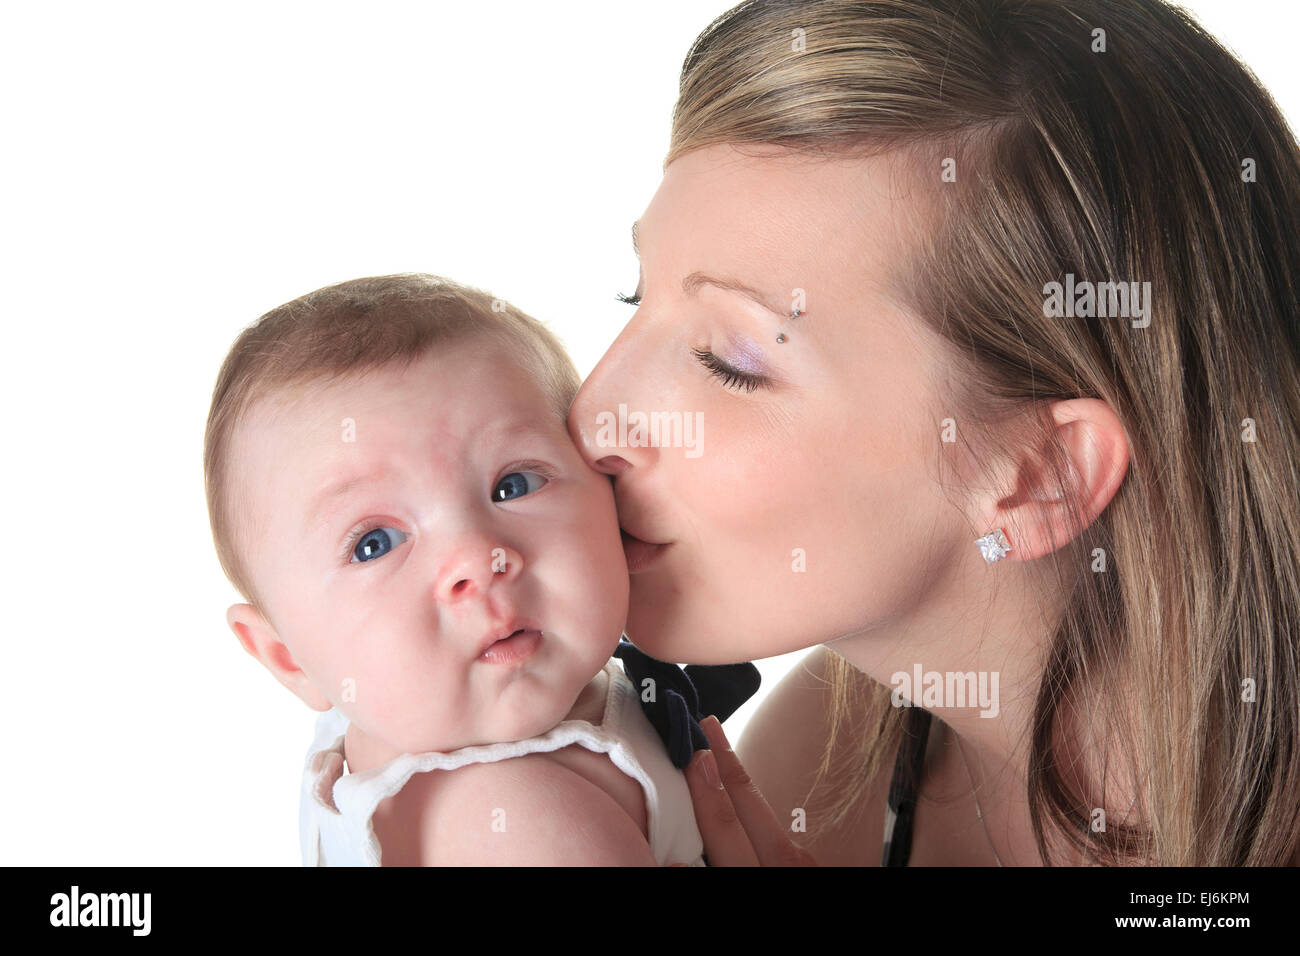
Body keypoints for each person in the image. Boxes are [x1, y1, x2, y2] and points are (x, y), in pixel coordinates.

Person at [568, 0, 1300, 865]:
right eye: (634, 295)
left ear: (1039, 475)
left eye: (730, 361)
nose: (589, 415)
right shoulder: (832, 757)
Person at [203, 273, 734, 865]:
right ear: (287, 655)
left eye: (513, 485)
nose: (480, 559)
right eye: (375, 543)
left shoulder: (381, 726)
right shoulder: (516, 823)